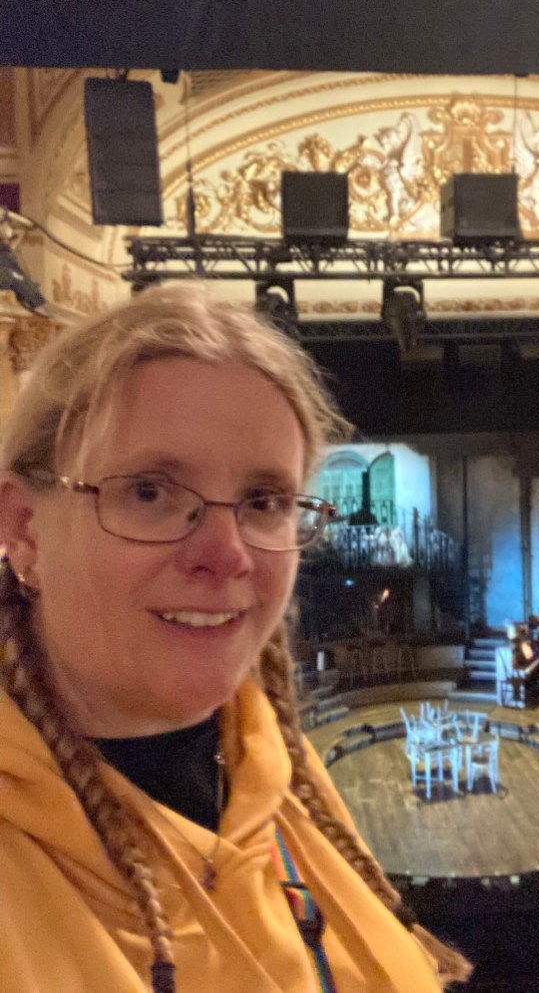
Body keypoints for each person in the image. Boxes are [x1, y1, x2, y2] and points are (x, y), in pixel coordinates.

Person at [0, 283, 471, 992]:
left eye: (264, 501)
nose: (227, 552)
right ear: (25, 527)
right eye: (151, 491)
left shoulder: (274, 763)